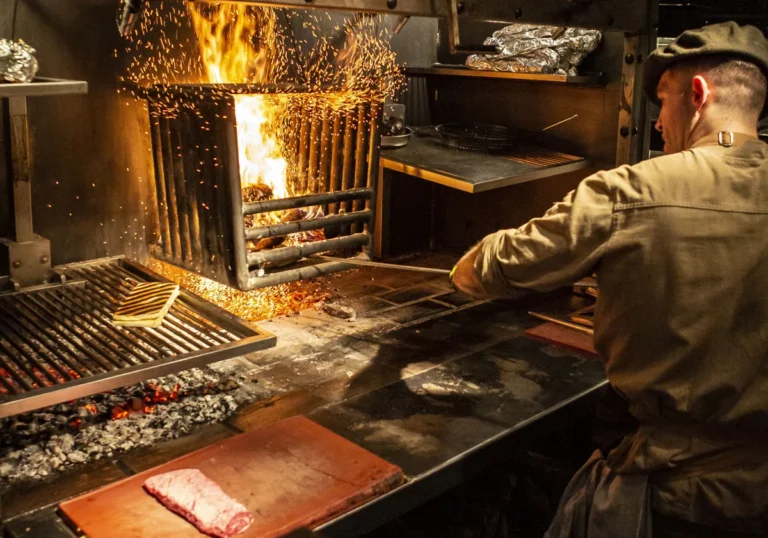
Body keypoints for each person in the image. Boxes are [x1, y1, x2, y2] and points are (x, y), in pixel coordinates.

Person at [449, 21, 768, 538]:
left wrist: (462, 267)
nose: (659, 123)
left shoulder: (632, 191)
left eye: (662, 102)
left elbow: (503, 265)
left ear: (697, 93)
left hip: (676, 496)